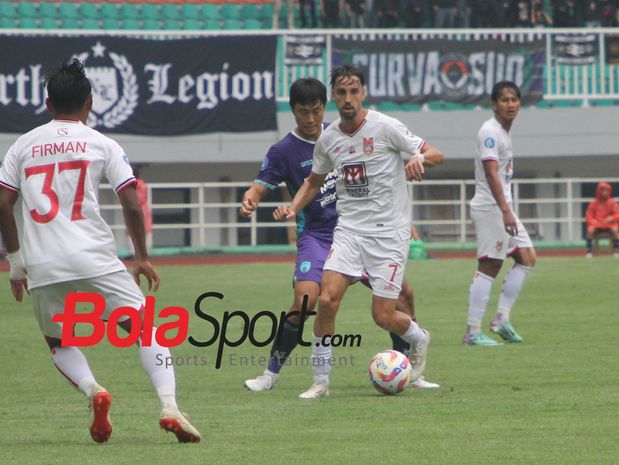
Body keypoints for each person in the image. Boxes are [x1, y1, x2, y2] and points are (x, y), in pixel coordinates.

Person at [0, 59, 200, 444]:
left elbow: (3, 203)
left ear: (47, 103)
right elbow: (129, 202)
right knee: (145, 332)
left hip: (43, 264)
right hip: (94, 256)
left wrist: (16, 263)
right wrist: (140, 255)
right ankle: (170, 406)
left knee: (59, 343)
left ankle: (94, 390)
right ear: (89, 103)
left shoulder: (22, 145)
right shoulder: (102, 143)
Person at [239, 77, 438, 393]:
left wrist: (402, 219)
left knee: (402, 298)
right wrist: (253, 196)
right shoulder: (285, 150)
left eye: (316, 111)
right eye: (303, 112)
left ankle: (407, 368)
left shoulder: (352, 130)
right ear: (292, 111)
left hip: (374, 232)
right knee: (309, 300)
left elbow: (381, 177)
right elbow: (267, 183)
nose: (310, 119)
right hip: (319, 236)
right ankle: (272, 374)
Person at [464, 81, 536, 347]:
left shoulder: (504, 132)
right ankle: (472, 332)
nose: (510, 104)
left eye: (514, 99)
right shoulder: (490, 132)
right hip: (492, 208)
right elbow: (491, 172)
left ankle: (501, 320)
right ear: (494, 104)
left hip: (503, 208)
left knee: (527, 257)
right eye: (504, 100)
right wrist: (506, 211)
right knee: (490, 265)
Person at [585, 182, 619, 258]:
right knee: (590, 231)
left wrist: (611, 218)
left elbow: (618, 214)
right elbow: (588, 215)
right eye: (603, 190)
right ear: (599, 191)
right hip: (596, 225)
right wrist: (594, 222)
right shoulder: (593, 203)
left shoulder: (612, 202)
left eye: (606, 190)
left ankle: (616, 251)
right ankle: (589, 251)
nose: (605, 193)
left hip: (609, 224)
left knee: (615, 230)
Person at [127, 165, 153, 257]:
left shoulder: (138, 185)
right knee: (134, 231)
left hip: (140, 210)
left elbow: (139, 199)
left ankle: (142, 252)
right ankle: (133, 252)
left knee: (141, 230)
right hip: (140, 209)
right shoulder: (140, 185)